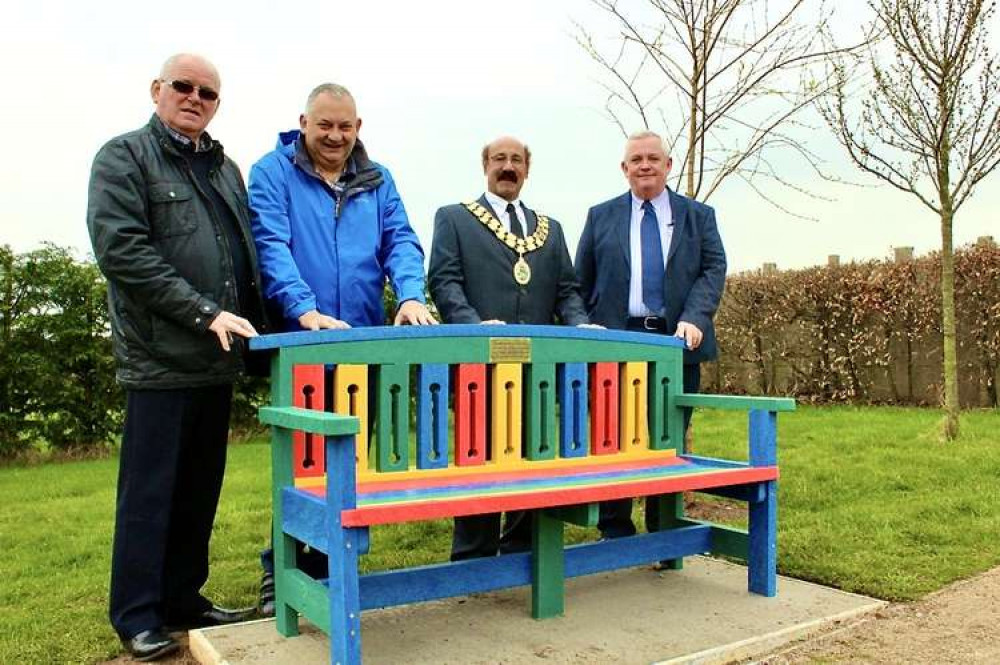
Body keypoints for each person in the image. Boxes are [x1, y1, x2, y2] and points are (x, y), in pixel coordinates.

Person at [87, 53, 264, 661]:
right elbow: (123, 252)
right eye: (183, 87)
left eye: (208, 92)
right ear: (157, 89)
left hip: (217, 360)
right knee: (150, 494)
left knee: (199, 489)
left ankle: (184, 599)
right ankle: (137, 614)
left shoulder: (225, 169)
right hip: (160, 358)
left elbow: (243, 256)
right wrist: (201, 311)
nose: (195, 98)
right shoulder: (123, 157)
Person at [248, 82, 435, 615]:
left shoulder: (378, 179)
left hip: (363, 346)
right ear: (303, 123)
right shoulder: (272, 172)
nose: (335, 136)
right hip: (303, 346)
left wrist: (411, 296)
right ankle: (279, 568)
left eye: (345, 127)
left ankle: (332, 568)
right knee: (301, 465)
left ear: (358, 128)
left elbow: (400, 239)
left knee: (349, 465)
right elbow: (271, 244)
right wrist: (304, 309)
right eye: (324, 125)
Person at [428, 135, 590, 560]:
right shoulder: (454, 218)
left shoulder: (550, 230)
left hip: (536, 372)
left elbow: (567, 291)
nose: (508, 167)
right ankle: (473, 558)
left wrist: (579, 324)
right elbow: (444, 282)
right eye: (499, 158)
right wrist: (473, 326)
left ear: (527, 169)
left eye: (516, 160)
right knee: (478, 461)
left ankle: (523, 553)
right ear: (485, 164)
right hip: (478, 369)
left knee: (532, 459)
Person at [575, 130, 727, 540]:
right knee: (614, 440)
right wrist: (587, 329)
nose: (645, 165)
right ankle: (615, 533)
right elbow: (579, 283)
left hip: (675, 347)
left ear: (668, 165)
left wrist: (696, 317)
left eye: (653, 159)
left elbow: (713, 271)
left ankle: (664, 534)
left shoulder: (700, 216)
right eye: (636, 159)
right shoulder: (599, 217)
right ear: (624, 169)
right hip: (616, 345)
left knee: (667, 442)